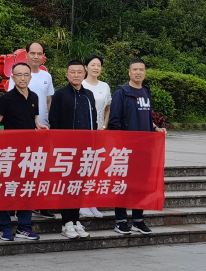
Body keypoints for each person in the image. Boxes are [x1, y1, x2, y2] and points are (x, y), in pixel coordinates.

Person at [108, 58, 166, 236]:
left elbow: (147, 117)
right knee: (123, 185)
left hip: (144, 148)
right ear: (129, 72)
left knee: (141, 185)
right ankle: (120, 221)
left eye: (141, 69)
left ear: (145, 72)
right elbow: (114, 121)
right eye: (135, 69)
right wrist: (121, 143)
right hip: (126, 149)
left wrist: (155, 128)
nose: (138, 72)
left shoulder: (146, 92)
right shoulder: (121, 92)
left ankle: (138, 220)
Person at [0, 62, 47, 241]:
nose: (23, 78)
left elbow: (34, 118)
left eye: (26, 75)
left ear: (30, 77)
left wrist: (39, 125)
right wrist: (6, 143)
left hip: (29, 153)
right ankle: (4, 228)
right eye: (19, 75)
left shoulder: (34, 96)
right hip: (10, 153)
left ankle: (24, 227)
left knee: (27, 189)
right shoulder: (6, 99)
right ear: (13, 78)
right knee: (7, 190)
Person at [7, 42, 56, 219]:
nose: (36, 56)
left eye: (39, 54)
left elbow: (49, 101)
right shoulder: (17, 76)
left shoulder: (46, 76)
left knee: (40, 170)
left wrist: (49, 123)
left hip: (42, 130)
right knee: (19, 170)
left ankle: (40, 205)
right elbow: (11, 103)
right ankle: (15, 205)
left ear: (43, 56)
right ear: (26, 54)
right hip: (21, 132)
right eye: (32, 53)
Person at [49, 61, 96, 240]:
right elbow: (54, 121)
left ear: (84, 74)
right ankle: (67, 223)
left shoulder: (88, 95)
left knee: (78, 186)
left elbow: (94, 122)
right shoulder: (60, 94)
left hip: (85, 150)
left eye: (79, 72)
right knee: (66, 186)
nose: (76, 75)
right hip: (66, 150)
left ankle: (76, 221)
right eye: (72, 72)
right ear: (67, 74)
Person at [80, 53, 111, 218]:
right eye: (93, 64)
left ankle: (92, 202)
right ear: (86, 67)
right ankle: (82, 203)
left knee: (97, 168)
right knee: (84, 167)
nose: (96, 68)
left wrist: (104, 126)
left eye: (98, 65)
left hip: (100, 132)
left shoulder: (105, 86)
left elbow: (108, 108)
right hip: (84, 132)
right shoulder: (81, 85)